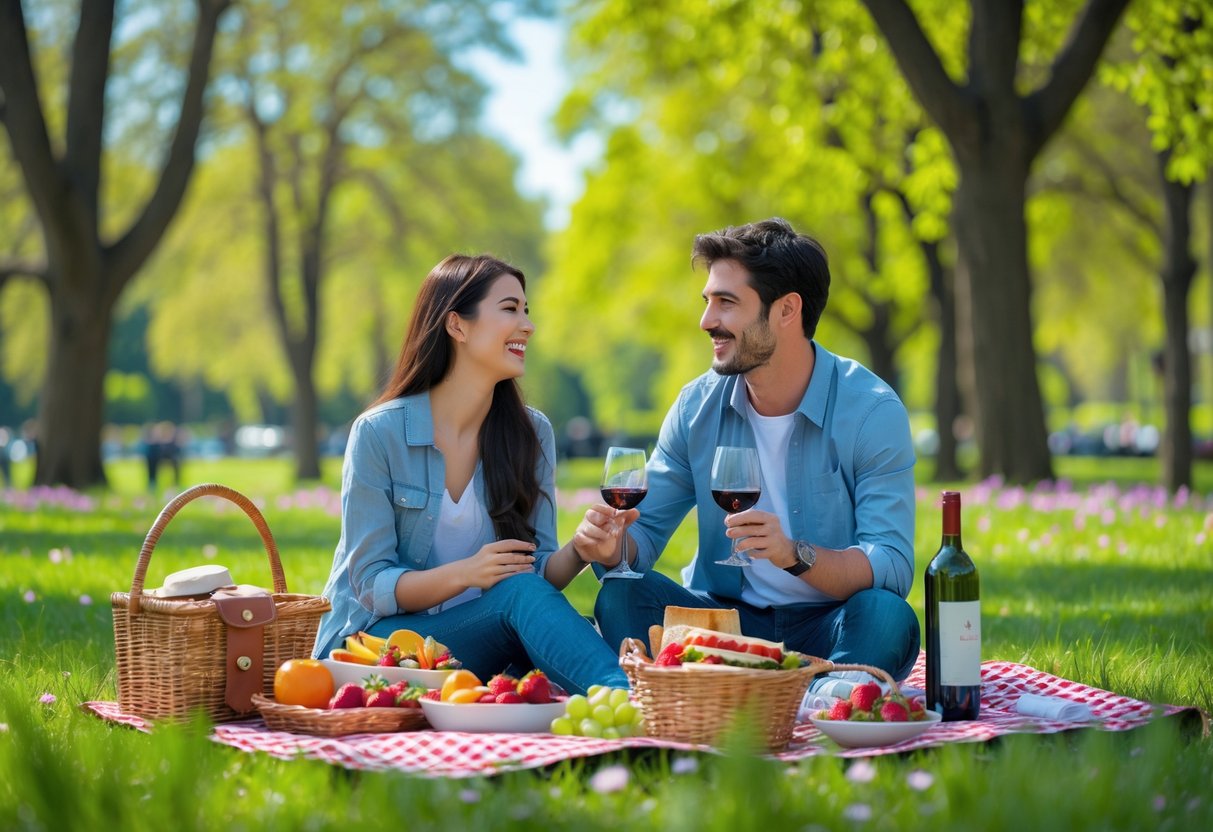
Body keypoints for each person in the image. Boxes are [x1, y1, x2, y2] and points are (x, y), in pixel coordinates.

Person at [567, 218, 919, 699]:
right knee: (622, 593)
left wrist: (795, 555)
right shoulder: (696, 407)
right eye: (708, 301)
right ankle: (808, 693)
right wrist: (615, 549)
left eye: (726, 302)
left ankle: (817, 690)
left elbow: (891, 563)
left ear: (787, 310)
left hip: (830, 624)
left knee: (887, 616)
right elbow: (643, 534)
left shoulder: (870, 410)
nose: (707, 320)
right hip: (722, 623)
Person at [312, 254, 629, 694]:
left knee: (533, 603)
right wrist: (467, 573)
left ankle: (627, 701)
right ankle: (629, 698)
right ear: (457, 326)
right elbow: (370, 583)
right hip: (379, 646)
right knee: (526, 606)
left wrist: (580, 550)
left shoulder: (531, 433)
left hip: (472, 643)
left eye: (526, 311)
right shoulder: (380, 433)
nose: (527, 326)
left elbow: (534, 574)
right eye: (509, 309)